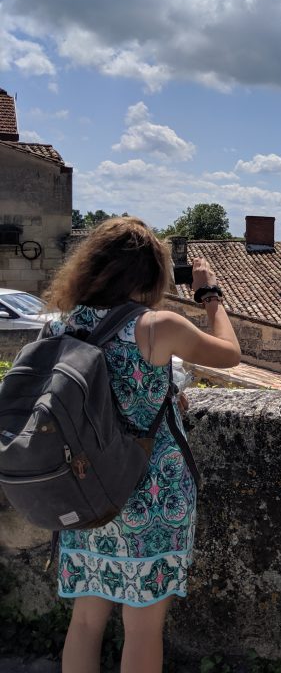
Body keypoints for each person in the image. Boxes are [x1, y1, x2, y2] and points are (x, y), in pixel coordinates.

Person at [43, 216, 241, 673]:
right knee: (144, 627)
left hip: (86, 489)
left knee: (86, 621)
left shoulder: (60, 327)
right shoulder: (155, 327)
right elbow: (229, 353)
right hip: (152, 493)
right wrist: (211, 296)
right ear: (152, 275)